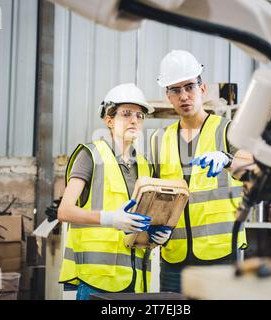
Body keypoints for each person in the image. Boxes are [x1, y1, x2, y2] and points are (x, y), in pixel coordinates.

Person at [150, 50, 254, 293]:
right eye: (175, 90)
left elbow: (254, 170)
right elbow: (153, 193)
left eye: (189, 86)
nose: (184, 96)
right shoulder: (158, 139)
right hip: (174, 254)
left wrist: (227, 160)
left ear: (203, 88)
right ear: (168, 95)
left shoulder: (228, 130)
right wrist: (153, 227)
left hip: (220, 254)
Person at [57, 83, 172, 300]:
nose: (134, 120)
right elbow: (64, 211)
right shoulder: (90, 155)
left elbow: (143, 220)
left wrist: (157, 235)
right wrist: (110, 219)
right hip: (96, 282)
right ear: (109, 120)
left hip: (137, 281)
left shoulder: (145, 166)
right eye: (126, 113)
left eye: (139, 115)